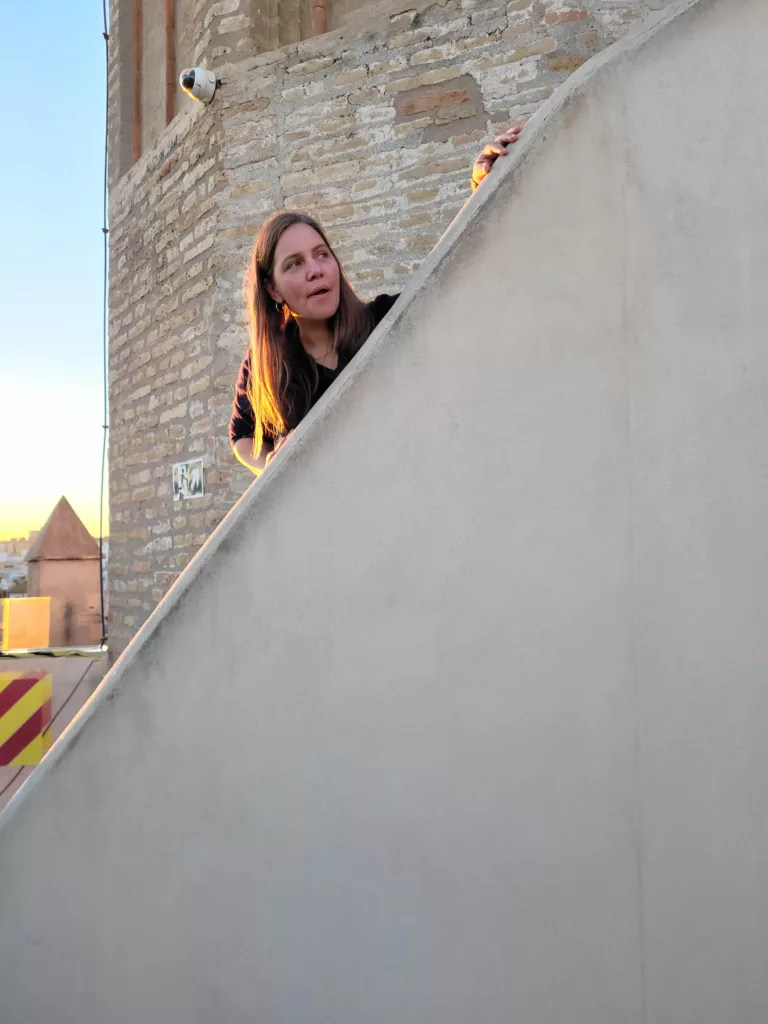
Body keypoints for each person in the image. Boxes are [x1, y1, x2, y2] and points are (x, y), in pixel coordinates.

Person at [229, 122, 526, 475]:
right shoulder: (265, 362)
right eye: (294, 264)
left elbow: (453, 281)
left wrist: (482, 191)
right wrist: (274, 468)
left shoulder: (382, 320)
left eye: (322, 254)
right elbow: (242, 437)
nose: (315, 270)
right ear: (273, 288)